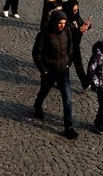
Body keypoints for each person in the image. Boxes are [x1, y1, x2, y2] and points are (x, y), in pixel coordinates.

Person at [32, 10, 78, 140]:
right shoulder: (44, 35)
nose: (62, 25)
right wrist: (44, 70)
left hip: (63, 71)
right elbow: (37, 54)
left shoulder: (67, 31)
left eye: (64, 23)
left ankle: (68, 127)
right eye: (60, 23)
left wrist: (69, 62)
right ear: (54, 22)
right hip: (49, 72)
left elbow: (70, 47)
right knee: (44, 91)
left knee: (67, 99)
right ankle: (38, 104)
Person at [63, 0, 92, 91]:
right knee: (65, 65)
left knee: (78, 64)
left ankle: (85, 83)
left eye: (77, 10)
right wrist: (79, 30)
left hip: (75, 45)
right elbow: (67, 32)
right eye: (74, 10)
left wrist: (87, 25)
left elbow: (81, 24)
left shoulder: (76, 17)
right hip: (66, 46)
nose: (76, 12)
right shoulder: (65, 19)